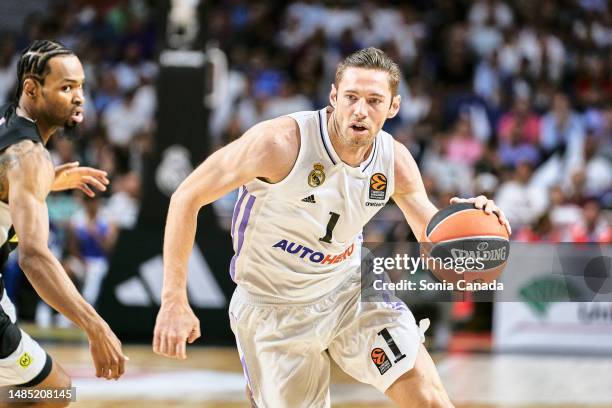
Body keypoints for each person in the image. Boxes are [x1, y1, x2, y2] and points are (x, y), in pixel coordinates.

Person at [153, 47, 510, 407]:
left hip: (350, 289)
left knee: (430, 400)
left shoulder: (395, 160)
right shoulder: (279, 144)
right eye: (351, 97)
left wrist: (471, 226)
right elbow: (186, 196)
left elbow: (431, 236)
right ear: (333, 97)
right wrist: (172, 299)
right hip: (274, 307)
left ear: (393, 107)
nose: (360, 110)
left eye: (374, 100)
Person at [0, 40, 127, 398]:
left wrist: (49, 181)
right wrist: (95, 326)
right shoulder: (29, 157)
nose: (79, 97)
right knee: (54, 391)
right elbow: (34, 258)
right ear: (31, 89)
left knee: (20, 389)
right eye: (66, 87)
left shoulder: (9, 123)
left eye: (81, 86)